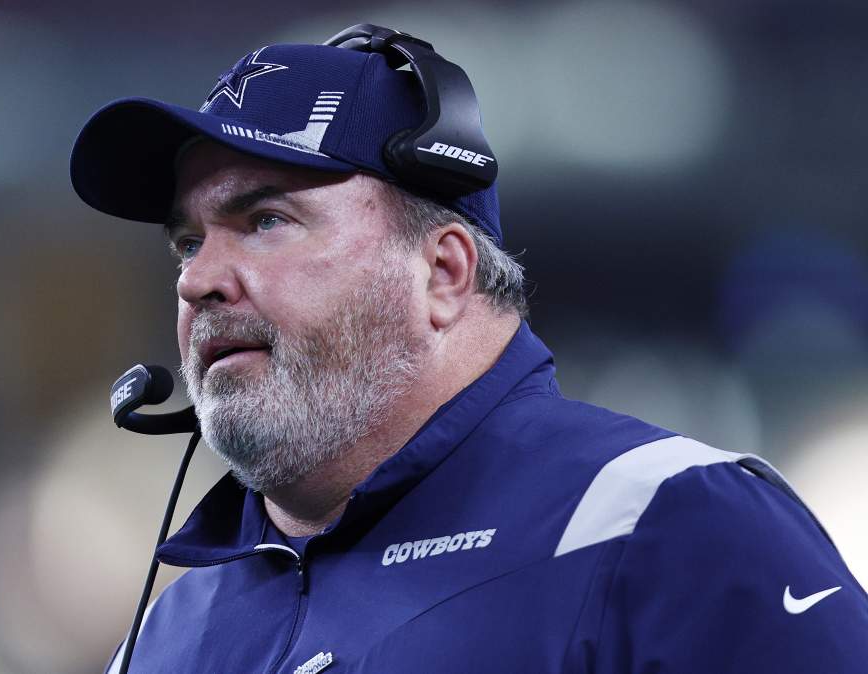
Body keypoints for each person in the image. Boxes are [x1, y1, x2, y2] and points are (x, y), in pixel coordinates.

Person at [70, 25, 868, 674]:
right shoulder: (163, 642)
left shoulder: (667, 526)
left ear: (444, 272)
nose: (197, 280)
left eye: (266, 220)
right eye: (188, 242)